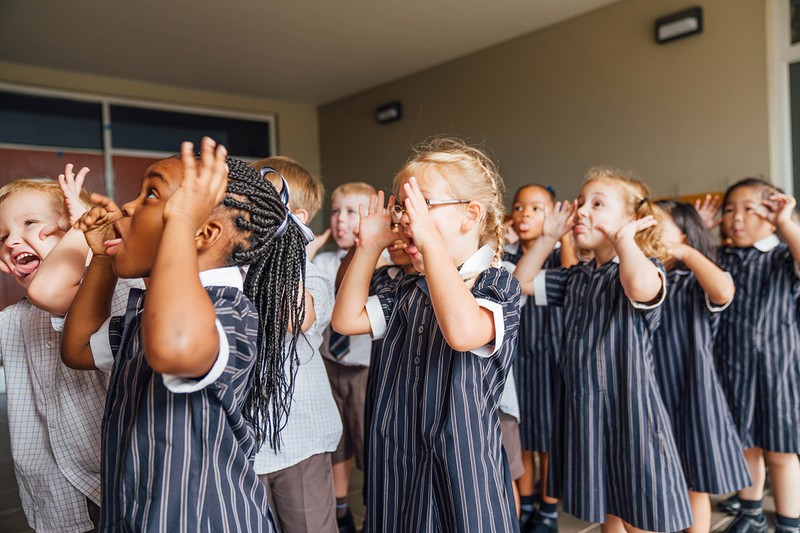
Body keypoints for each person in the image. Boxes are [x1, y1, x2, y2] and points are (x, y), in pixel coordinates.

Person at [61, 137, 308, 531]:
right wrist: (105, 260)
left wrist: (180, 220)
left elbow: (174, 347)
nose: (127, 205)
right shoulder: (148, 310)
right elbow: (76, 349)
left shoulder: (227, 309)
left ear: (202, 233)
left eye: (152, 195)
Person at [332, 137, 522, 532]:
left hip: (463, 468)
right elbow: (345, 321)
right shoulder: (400, 285)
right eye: (403, 207)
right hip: (397, 462)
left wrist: (428, 241)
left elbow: (462, 332)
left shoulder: (497, 285)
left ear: (470, 216)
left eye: (422, 204)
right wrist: (368, 248)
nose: (405, 218)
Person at [513, 167, 692, 533]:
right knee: (609, 506)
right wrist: (548, 237)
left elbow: (641, 286)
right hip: (589, 413)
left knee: (641, 512)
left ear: (633, 220)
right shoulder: (578, 277)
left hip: (631, 414)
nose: (581, 211)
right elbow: (521, 284)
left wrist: (626, 241)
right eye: (581, 203)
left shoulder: (644, 268)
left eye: (597, 204)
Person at [0, 168, 138, 532]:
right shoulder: (14, 320)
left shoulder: (120, 291)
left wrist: (86, 232)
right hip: (55, 494)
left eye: (30, 223)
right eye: (3, 236)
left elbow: (54, 291)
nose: (12, 241)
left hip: (118, 481)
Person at [249, 156, 342, 533]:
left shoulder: (312, 273)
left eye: (262, 199)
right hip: (245, 442)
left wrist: (287, 249)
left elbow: (294, 316)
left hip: (299, 437)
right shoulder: (233, 266)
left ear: (295, 218)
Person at [652, 200, 751, 533]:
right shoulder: (639, 277)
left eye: (656, 224)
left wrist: (684, 251)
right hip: (649, 389)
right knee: (655, 478)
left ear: (683, 234)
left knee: (694, 480)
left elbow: (723, 289)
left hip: (689, 390)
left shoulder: (689, 282)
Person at [714, 178, 800, 533]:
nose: (737, 218)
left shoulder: (782, 254)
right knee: (745, 444)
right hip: (733, 365)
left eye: (749, 209)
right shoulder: (723, 256)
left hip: (779, 369)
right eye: (730, 209)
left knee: (780, 451)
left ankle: (789, 521)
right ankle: (750, 512)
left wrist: (786, 223)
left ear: (771, 213)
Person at [503, 184, 577, 533]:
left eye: (535, 208)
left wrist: (564, 239)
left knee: (548, 436)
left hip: (552, 356)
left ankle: (549, 507)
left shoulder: (556, 254)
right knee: (524, 431)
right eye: (519, 207)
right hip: (519, 356)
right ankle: (527, 499)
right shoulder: (507, 255)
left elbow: (573, 279)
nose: (524, 214)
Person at [313, 181, 377, 532]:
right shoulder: (323, 260)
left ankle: (373, 510)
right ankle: (340, 510)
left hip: (363, 369)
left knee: (367, 440)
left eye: (352, 212)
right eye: (336, 211)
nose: (340, 220)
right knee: (336, 440)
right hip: (329, 365)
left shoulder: (380, 260)